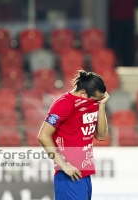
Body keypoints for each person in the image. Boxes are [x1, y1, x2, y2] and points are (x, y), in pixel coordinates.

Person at [37, 70, 109, 200]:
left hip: (85, 174)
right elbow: (43, 135)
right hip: (69, 175)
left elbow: (101, 136)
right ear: (83, 93)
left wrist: (101, 106)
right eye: (96, 99)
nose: (96, 102)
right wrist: (64, 165)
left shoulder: (92, 103)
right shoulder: (63, 104)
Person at [108, 0, 138, 66]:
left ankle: (128, 65)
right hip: (117, 20)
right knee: (118, 45)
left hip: (128, 20)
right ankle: (116, 64)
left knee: (128, 46)